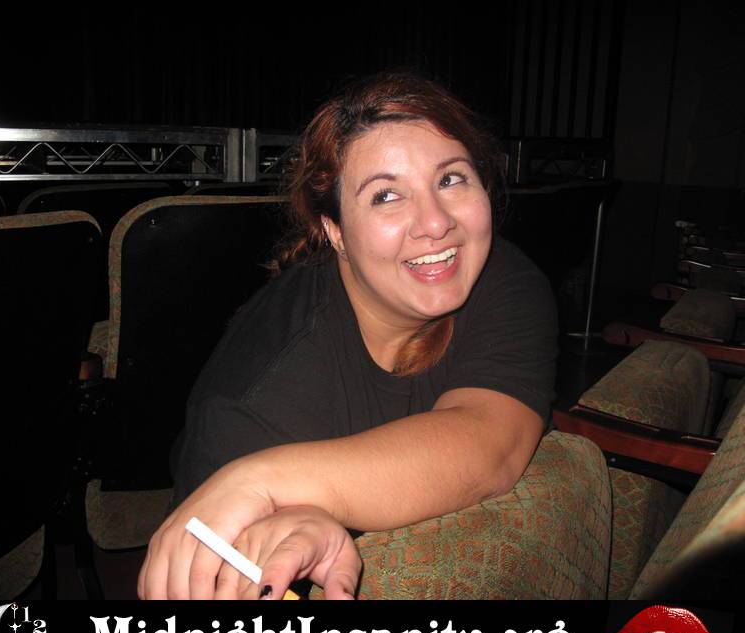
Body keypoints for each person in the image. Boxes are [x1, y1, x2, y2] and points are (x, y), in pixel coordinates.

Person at [138, 72, 559, 600]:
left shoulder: (500, 276)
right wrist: (292, 520)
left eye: (451, 179)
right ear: (333, 230)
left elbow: (490, 442)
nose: (435, 223)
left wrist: (265, 483)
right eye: (386, 195)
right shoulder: (255, 403)